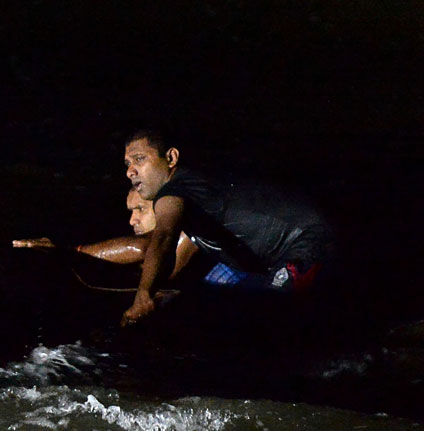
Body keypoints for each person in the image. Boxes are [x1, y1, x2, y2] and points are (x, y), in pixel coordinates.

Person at [121, 129, 334, 326]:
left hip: (308, 242)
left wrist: (143, 295)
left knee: (271, 321)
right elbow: (168, 260)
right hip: (284, 255)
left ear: (171, 158)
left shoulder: (175, 190)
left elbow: (161, 239)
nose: (131, 171)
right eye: (127, 164)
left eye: (139, 159)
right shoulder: (194, 191)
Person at [13, 188, 199, 279]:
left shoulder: (192, 226)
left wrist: (66, 251)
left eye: (140, 210)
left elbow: (142, 247)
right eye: (131, 212)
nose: (132, 220)